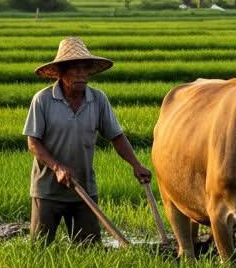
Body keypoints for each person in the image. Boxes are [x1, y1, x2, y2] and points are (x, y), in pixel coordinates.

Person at [23, 36, 151, 244]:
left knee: (90, 248)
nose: (82, 74)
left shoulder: (98, 99)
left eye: (85, 69)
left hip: (84, 188)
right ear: (62, 72)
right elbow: (33, 143)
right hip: (47, 190)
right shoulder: (43, 100)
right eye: (75, 69)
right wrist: (57, 168)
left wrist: (136, 165)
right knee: (40, 248)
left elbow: (116, 137)